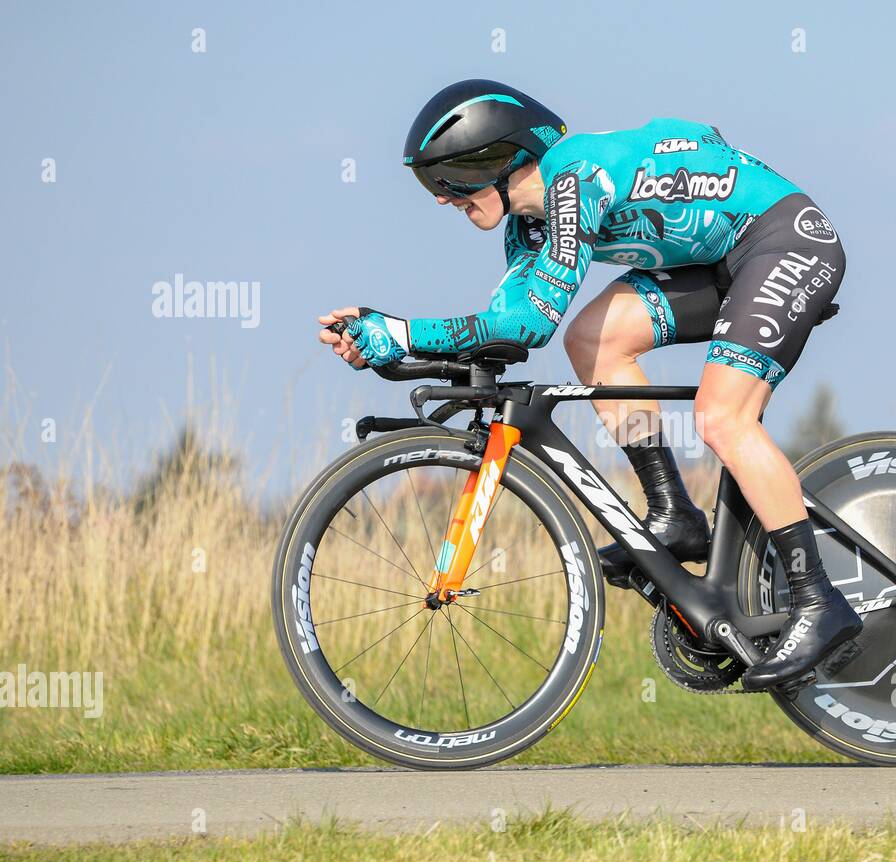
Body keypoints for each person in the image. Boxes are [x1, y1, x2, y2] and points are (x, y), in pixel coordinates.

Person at [317, 79, 860, 689]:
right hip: (713, 262)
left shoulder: (575, 179)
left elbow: (529, 322)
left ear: (498, 160)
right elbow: (506, 333)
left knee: (721, 417)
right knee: (591, 339)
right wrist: (388, 351)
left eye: (450, 181)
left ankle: (821, 601)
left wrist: (404, 331)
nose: (442, 200)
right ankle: (673, 512)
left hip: (783, 241)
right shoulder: (526, 228)